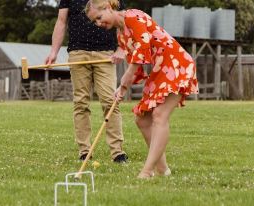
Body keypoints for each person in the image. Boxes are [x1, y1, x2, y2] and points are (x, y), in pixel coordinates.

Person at [85, 0, 199, 178]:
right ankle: (163, 169)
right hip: (160, 70)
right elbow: (135, 64)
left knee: (159, 115)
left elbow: (142, 49)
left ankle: (147, 171)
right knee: (142, 119)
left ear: (108, 8)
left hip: (176, 65)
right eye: (95, 22)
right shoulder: (121, 35)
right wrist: (122, 89)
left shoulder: (133, 16)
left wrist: (126, 78)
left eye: (99, 17)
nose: (99, 23)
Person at [45, 0, 128, 163]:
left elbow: (123, 21)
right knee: (81, 102)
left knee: (110, 101)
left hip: (106, 55)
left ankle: (117, 152)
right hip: (78, 53)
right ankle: (84, 151)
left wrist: (122, 48)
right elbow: (61, 21)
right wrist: (54, 51)